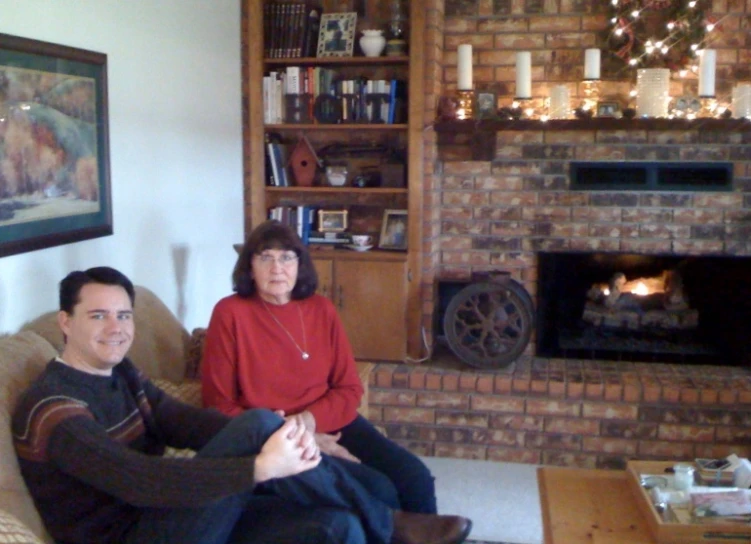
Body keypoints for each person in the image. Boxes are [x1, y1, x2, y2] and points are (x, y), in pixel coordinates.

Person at [12, 266, 472, 544]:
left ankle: (382, 521)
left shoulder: (122, 374)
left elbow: (189, 423)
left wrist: (287, 439)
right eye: (98, 315)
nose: (116, 328)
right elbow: (144, 482)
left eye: (124, 314)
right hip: (140, 533)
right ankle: (391, 523)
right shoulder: (54, 409)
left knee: (338, 526)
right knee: (256, 426)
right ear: (65, 322)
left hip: (176, 518)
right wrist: (260, 466)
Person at [201, 220, 436, 514]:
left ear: (300, 265)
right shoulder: (230, 313)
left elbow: (349, 387)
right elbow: (218, 404)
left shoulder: (321, 309)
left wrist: (310, 424)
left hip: (331, 421)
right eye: (266, 258)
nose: (277, 268)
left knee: (416, 478)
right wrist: (302, 437)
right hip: (274, 437)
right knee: (378, 490)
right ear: (250, 267)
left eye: (287, 257)